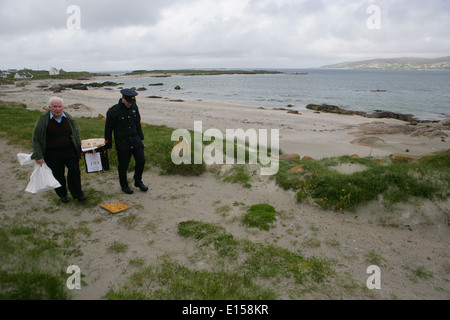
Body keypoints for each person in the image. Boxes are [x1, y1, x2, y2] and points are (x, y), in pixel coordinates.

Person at [31, 97, 87, 203]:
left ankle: (78, 194)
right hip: (52, 153)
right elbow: (36, 138)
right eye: (55, 106)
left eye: (60, 106)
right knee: (58, 175)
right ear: (49, 107)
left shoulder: (68, 118)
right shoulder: (43, 120)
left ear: (63, 107)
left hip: (70, 151)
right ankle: (63, 195)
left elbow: (76, 134)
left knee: (75, 171)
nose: (57, 109)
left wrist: (79, 149)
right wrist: (38, 156)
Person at [104, 89, 148, 194]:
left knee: (141, 161)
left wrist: (140, 137)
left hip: (135, 140)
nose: (130, 104)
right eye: (128, 102)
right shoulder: (113, 111)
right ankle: (124, 185)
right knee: (123, 165)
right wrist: (108, 144)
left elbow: (137, 122)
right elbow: (108, 129)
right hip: (122, 142)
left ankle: (138, 181)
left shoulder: (134, 107)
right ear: (123, 99)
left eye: (132, 102)